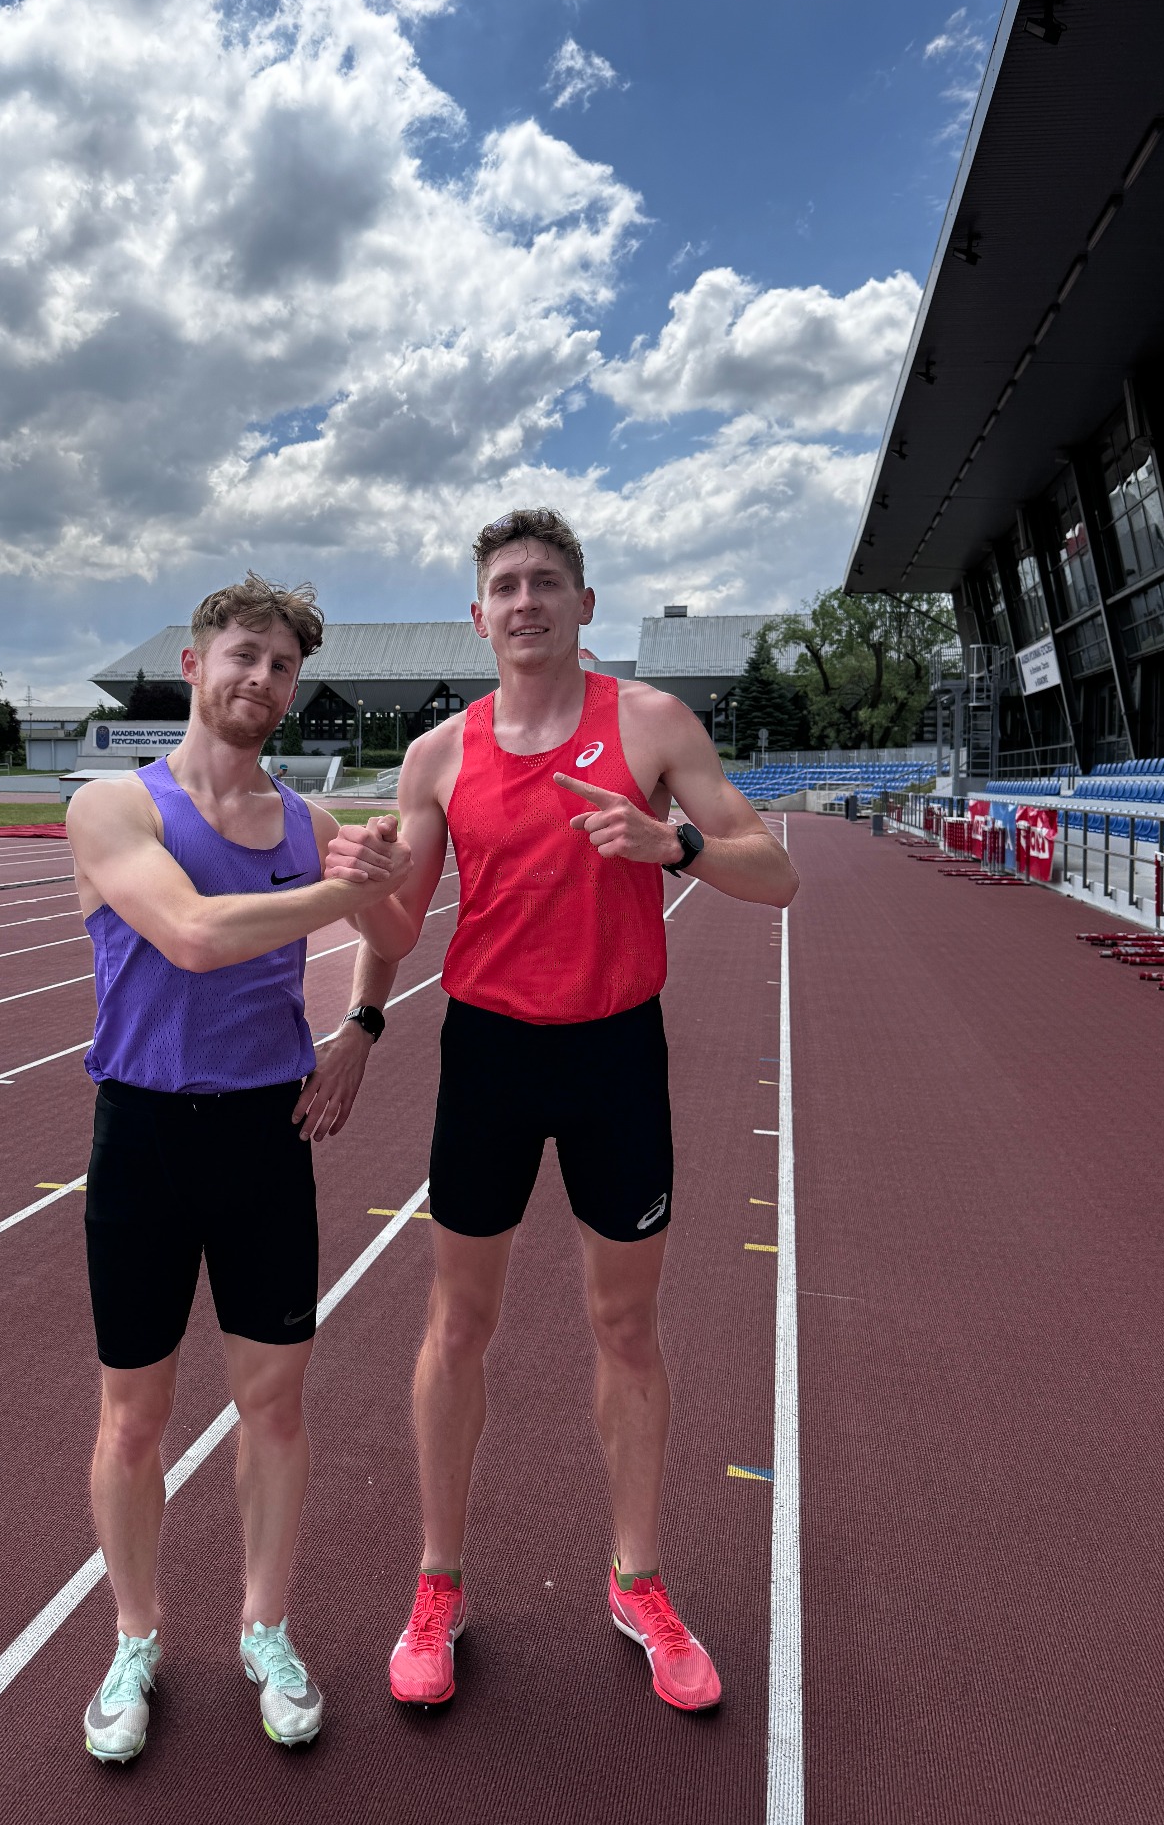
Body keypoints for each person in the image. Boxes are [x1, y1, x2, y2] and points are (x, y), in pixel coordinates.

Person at [298, 509, 799, 1716]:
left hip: (617, 1053)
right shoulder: (438, 755)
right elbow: (402, 926)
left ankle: (638, 1580)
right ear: (479, 617)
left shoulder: (651, 723)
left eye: (546, 582)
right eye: (504, 585)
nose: (525, 600)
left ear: (583, 604)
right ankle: (438, 1587)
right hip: (490, 1057)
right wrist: (357, 949)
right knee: (455, 1323)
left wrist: (669, 842)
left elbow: (773, 871)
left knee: (625, 1327)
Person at [64, 573, 411, 1767]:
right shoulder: (116, 805)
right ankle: (136, 1636)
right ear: (194, 663)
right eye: (245, 656)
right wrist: (342, 887)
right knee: (134, 1415)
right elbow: (196, 936)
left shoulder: (310, 824)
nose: (261, 680)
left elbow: (396, 935)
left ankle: (266, 1625)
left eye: (282, 668)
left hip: (270, 1135)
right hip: (145, 1139)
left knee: (273, 1405)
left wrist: (362, 1023)